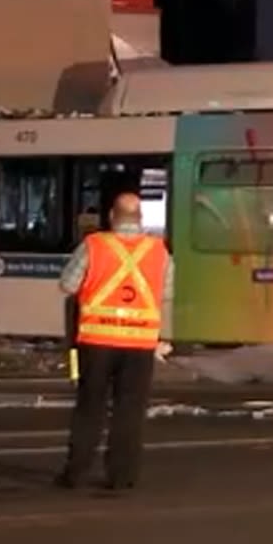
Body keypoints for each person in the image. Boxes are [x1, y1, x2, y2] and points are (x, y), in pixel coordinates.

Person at [54, 191, 173, 492]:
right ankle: (122, 476)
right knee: (130, 411)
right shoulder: (159, 250)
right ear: (141, 218)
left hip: (96, 342)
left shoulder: (94, 245)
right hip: (140, 345)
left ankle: (76, 472)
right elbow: (168, 292)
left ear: (111, 216)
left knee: (89, 407)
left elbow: (67, 284)